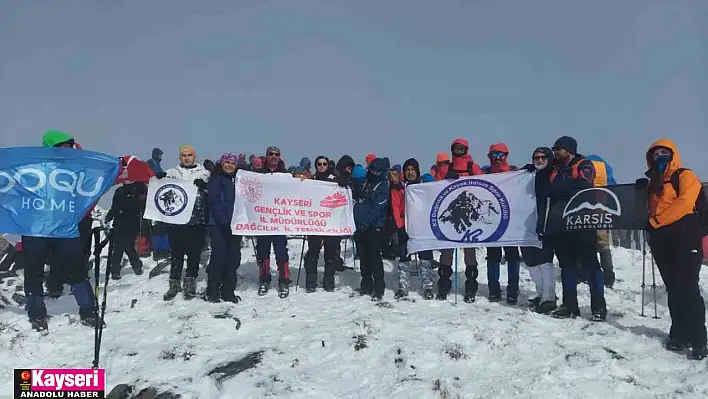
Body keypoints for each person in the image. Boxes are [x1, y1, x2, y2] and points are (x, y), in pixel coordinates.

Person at [22, 130, 102, 331]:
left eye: (69, 146)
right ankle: (36, 313)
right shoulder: (31, 169)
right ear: (51, 148)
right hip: (36, 230)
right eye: (63, 146)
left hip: (64, 229)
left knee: (77, 270)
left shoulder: (74, 171)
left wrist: (116, 167)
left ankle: (88, 310)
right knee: (34, 273)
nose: (68, 150)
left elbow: (93, 182)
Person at [643, 139, 707, 360]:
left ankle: (700, 339)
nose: (659, 156)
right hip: (662, 238)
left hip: (685, 233)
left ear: (673, 154)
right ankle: (679, 334)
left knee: (688, 286)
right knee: (673, 287)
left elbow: (685, 202)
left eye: (664, 152)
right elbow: (650, 210)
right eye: (655, 153)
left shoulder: (685, 175)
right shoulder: (653, 182)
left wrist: (657, 221)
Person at [546, 136, 607, 321]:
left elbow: (584, 187)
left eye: (558, 148)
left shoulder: (584, 164)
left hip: (582, 223)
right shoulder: (555, 169)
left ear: (569, 150)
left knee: (591, 265)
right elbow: (548, 187)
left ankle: (599, 307)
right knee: (566, 266)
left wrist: (560, 190)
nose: (555, 152)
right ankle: (570, 306)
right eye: (554, 148)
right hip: (560, 224)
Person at [160, 145, 210, 301]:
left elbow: (213, 191)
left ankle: (190, 282)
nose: (187, 158)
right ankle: (174, 283)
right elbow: (158, 190)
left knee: (194, 253)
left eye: (189, 155)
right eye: (183, 155)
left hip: (196, 220)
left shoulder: (205, 173)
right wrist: (158, 179)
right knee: (176, 253)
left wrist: (205, 186)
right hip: (176, 222)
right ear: (179, 157)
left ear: (194, 156)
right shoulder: (171, 173)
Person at [437, 138, 483, 302]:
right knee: (447, 253)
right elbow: (436, 189)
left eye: (461, 148)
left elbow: (483, 185)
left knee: (469, 253)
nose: (458, 150)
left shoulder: (473, 167)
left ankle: (471, 287)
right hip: (451, 213)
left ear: (466, 149)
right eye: (456, 148)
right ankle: (444, 285)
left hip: (469, 214)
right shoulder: (445, 168)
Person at [481, 143, 522, 304]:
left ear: (506, 155)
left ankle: (513, 288)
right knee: (493, 256)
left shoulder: (515, 172)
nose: (497, 158)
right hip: (492, 221)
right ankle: (493, 289)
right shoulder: (485, 173)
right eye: (494, 155)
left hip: (511, 221)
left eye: (501, 155)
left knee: (512, 255)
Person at [520, 147, 557, 313]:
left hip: (546, 224)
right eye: (536, 158)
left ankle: (549, 298)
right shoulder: (530, 175)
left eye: (543, 157)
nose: (540, 160)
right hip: (527, 225)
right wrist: (522, 173)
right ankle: (541, 293)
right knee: (530, 261)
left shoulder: (554, 174)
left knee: (545, 261)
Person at [393, 158, 435, 300]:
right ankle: (403, 286)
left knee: (425, 256)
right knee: (404, 256)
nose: (410, 172)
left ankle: (428, 286)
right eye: (407, 170)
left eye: (413, 170)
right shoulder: (399, 187)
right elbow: (396, 206)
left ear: (417, 171)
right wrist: (399, 226)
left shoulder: (424, 186)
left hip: (422, 226)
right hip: (405, 225)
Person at [255, 146, 292, 298]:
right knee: (263, 250)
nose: (274, 156)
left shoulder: (285, 175)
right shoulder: (258, 174)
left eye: (277, 154)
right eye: (271, 154)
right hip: (262, 219)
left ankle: (284, 279)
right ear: (266, 156)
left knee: (281, 251)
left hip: (279, 220)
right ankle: (264, 278)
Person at [205, 153, 242, 303]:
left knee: (233, 259)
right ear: (221, 164)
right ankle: (213, 290)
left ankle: (228, 290)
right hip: (219, 225)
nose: (229, 166)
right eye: (226, 163)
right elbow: (215, 202)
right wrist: (224, 222)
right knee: (218, 257)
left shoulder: (239, 180)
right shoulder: (216, 179)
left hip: (236, 225)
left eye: (232, 163)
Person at [353, 157, 390, 300]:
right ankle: (366, 284)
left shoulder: (382, 186)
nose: (374, 172)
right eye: (372, 169)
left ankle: (379, 288)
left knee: (374, 257)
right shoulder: (365, 183)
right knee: (363, 257)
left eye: (377, 170)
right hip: (360, 226)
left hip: (374, 227)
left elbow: (378, 208)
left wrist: (366, 223)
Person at [303, 156, 340, 292]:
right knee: (313, 253)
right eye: (319, 164)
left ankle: (328, 281)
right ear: (316, 166)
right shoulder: (311, 180)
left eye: (324, 164)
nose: (322, 166)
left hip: (331, 222)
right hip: (315, 222)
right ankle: (311, 282)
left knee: (330, 254)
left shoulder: (334, 180)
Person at [105, 180, 148, 279]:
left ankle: (136, 265)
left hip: (133, 222)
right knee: (117, 247)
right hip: (119, 222)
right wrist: (110, 215)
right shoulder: (119, 191)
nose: (126, 181)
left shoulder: (140, 189)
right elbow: (114, 206)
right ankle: (115, 271)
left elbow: (143, 205)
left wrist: (140, 200)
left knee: (128, 245)